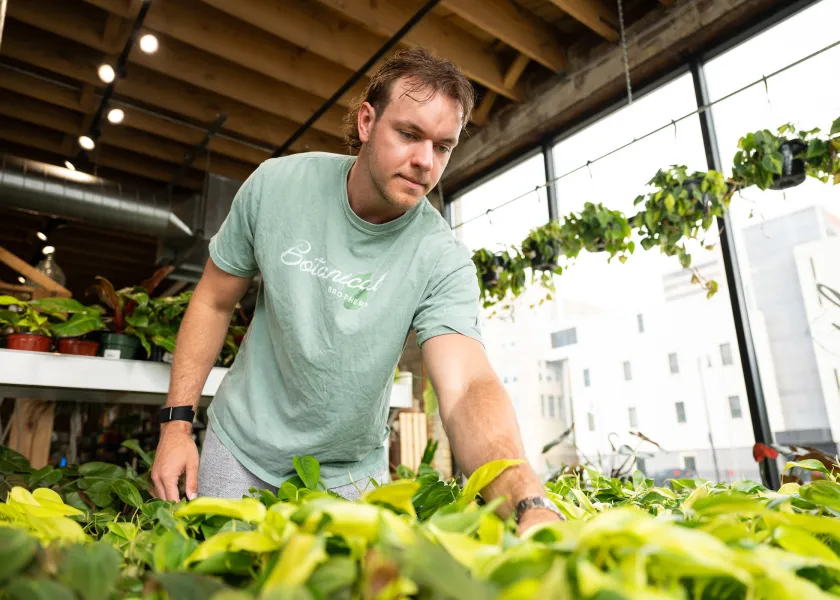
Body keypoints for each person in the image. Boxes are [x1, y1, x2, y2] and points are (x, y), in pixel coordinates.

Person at [150, 48, 562, 533]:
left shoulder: (441, 257)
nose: (424, 162)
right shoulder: (276, 186)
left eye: (443, 146)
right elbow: (214, 300)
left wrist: (527, 500)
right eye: (409, 134)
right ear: (367, 121)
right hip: (240, 448)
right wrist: (176, 425)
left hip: (349, 473)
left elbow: (467, 385)